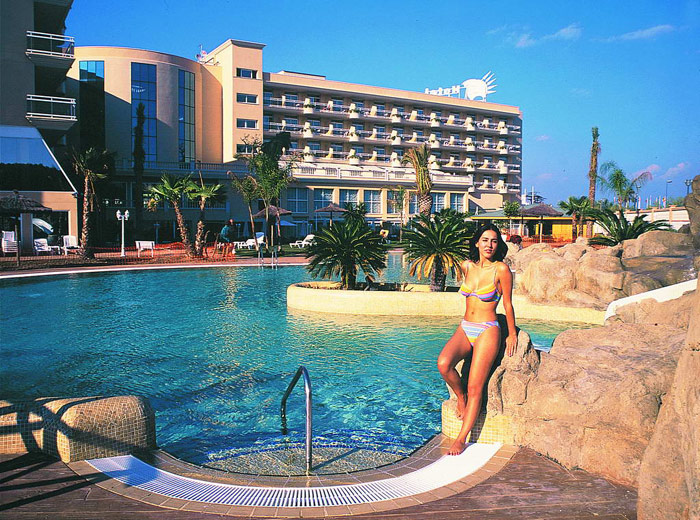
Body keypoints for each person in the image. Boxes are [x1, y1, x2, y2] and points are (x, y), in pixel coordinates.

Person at [437, 223, 517, 455]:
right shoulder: (467, 266)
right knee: (443, 364)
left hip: (487, 329)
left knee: (475, 386)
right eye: (485, 240)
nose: (489, 245)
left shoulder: (501, 269)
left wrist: (512, 333)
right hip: (466, 326)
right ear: (477, 242)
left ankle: (462, 438)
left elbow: (508, 304)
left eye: (494, 241)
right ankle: (460, 396)